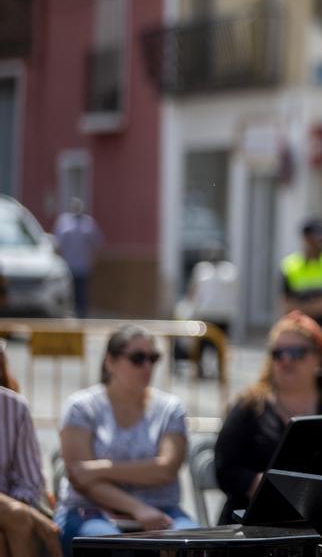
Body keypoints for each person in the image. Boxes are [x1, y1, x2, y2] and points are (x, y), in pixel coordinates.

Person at [55, 326, 197, 555]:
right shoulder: (81, 407)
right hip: (89, 509)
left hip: (163, 508)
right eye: (137, 358)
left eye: (153, 358)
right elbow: (82, 479)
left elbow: (165, 469)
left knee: (196, 545)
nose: (147, 366)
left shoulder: (171, 408)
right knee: (111, 545)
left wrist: (100, 468)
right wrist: (138, 508)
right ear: (110, 362)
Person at [213, 311, 322, 525]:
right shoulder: (249, 406)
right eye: (278, 353)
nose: (285, 360)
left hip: (321, 523)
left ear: (319, 357)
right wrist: (255, 483)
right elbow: (224, 469)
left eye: (296, 353)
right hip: (252, 523)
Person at [0, 339, 62, 557]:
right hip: (14, 516)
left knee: (15, 522)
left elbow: (30, 481)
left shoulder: (13, 407)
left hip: (12, 519)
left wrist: (12, 510)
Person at [281, 219, 322, 357]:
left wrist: (304, 309)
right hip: (299, 333)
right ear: (305, 238)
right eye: (316, 237)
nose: (321, 242)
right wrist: (319, 306)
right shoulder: (290, 265)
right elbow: (286, 304)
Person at [53, 198, 103, 318]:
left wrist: (93, 261)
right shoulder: (64, 222)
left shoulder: (89, 223)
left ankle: (82, 314)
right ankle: (68, 314)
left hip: (83, 265)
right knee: (68, 291)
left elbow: (97, 243)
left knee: (82, 291)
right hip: (67, 265)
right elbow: (57, 243)